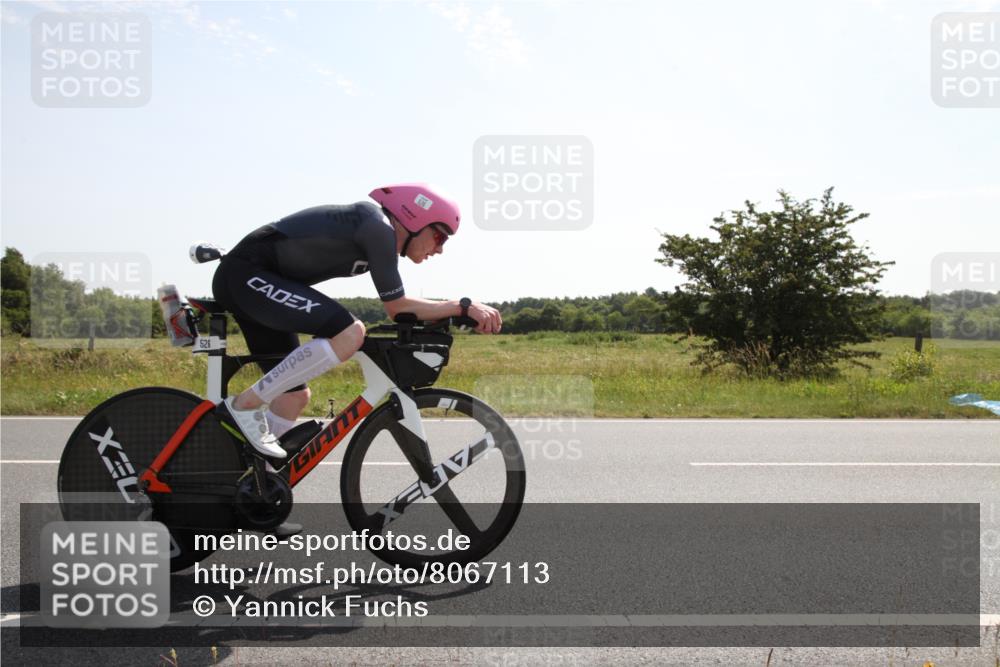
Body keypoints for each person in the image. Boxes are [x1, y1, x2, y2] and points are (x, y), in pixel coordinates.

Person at [212, 183, 502, 458]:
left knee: (293, 397)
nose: (440, 249)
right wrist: (462, 306)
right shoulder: (377, 227)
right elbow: (396, 306)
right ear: (414, 218)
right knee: (350, 332)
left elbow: (401, 309)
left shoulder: (379, 235)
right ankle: (243, 406)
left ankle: (252, 480)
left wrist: (457, 310)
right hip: (246, 274)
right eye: (440, 237)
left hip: (258, 282)